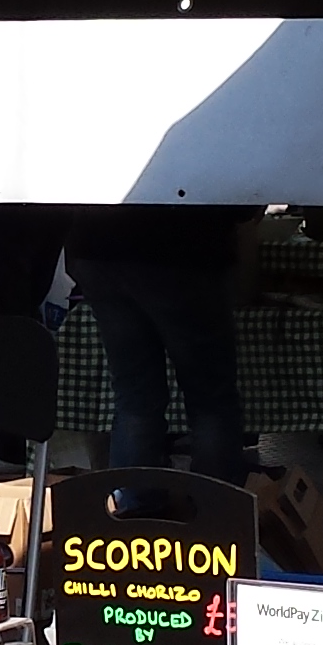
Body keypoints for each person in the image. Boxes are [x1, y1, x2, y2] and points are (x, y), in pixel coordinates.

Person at [69, 202, 256, 476]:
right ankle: (215, 497)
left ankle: (133, 496)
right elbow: (241, 202)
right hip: (183, 251)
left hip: (97, 247)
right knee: (210, 399)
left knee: (135, 396)